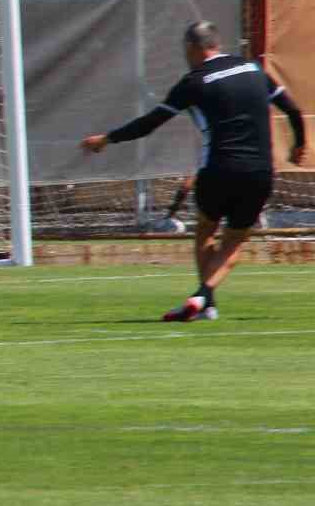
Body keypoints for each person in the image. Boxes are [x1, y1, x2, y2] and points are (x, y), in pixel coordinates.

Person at [82, 20, 305, 322]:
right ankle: (203, 298)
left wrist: (106, 139)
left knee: (205, 232)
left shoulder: (193, 82)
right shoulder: (253, 69)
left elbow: (148, 125)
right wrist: (299, 145)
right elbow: (292, 109)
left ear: (192, 48)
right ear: (216, 43)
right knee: (234, 240)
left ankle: (204, 302)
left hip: (217, 171)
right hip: (260, 172)